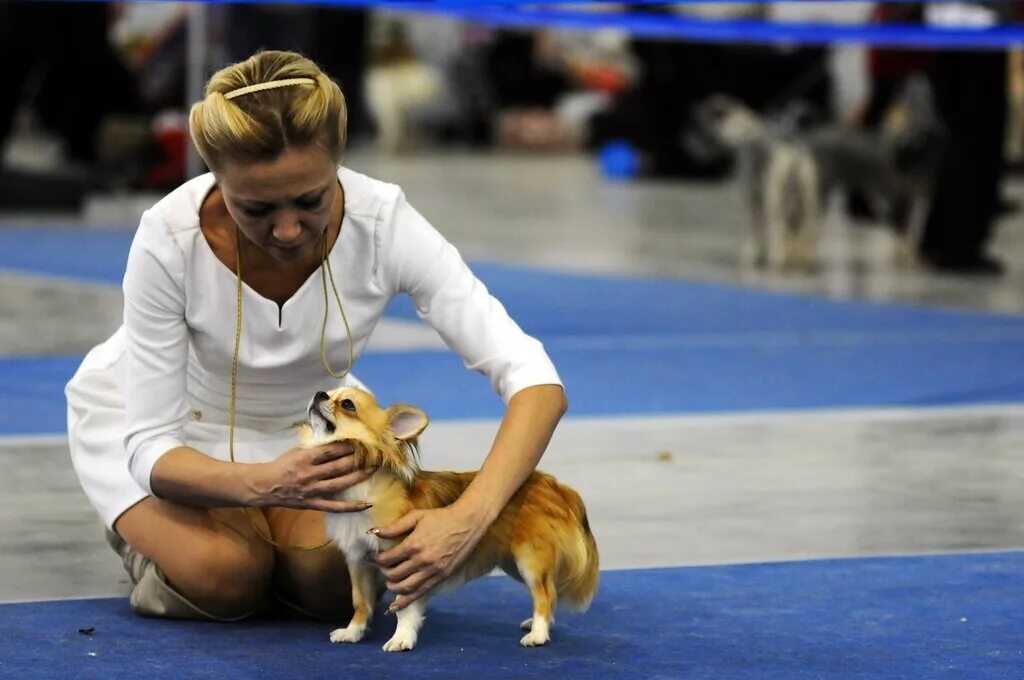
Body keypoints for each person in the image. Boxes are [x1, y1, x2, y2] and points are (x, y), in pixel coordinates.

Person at [65, 50, 567, 622]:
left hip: (302, 432)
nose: (286, 229)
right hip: (161, 433)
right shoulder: (166, 238)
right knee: (226, 579)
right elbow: (149, 443)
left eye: (311, 201)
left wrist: (467, 517)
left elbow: (534, 379)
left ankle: (265, 550)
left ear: (339, 158)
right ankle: (161, 546)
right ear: (214, 175)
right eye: (254, 208)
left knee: (335, 587)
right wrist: (261, 484)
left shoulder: (385, 224)